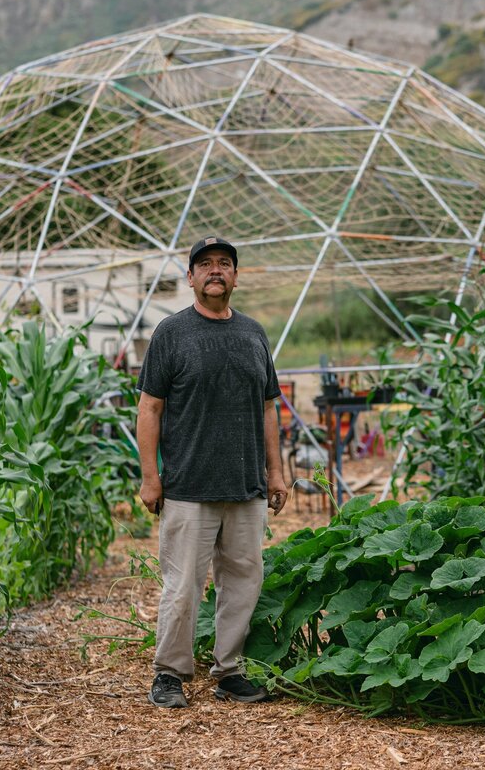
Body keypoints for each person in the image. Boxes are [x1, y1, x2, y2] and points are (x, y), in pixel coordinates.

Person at [135, 236, 289, 708]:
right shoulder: (171, 333)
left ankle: (230, 672)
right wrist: (150, 476)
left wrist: (276, 473)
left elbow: (268, 409)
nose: (215, 271)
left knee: (242, 584)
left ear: (236, 276)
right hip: (188, 487)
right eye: (205, 265)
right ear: (191, 277)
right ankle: (169, 674)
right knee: (182, 587)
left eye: (224, 264)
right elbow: (150, 408)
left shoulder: (253, 334)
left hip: (246, 487)